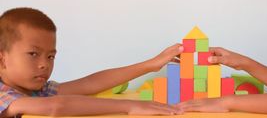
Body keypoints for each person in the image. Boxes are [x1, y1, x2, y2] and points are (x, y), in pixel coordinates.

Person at [0, 7, 184, 117]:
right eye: (33, 54)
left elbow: (90, 84)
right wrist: (130, 106)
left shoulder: (36, 90)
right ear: (2, 59)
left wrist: (151, 64)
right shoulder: (4, 95)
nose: (44, 64)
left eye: (50, 56)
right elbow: (56, 106)